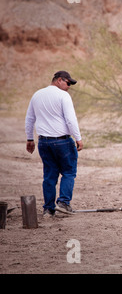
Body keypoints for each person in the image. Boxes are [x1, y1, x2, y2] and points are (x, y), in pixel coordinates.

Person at [25, 71, 83, 217]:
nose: (69, 86)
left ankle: (48, 209)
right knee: (69, 172)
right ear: (59, 80)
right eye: (68, 83)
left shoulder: (37, 95)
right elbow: (70, 119)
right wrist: (78, 138)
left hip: (43, 142)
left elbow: (30, 118)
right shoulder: (63, 96)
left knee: (49, 175)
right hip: (62, 141)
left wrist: (30, 139)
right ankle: (63, 203)